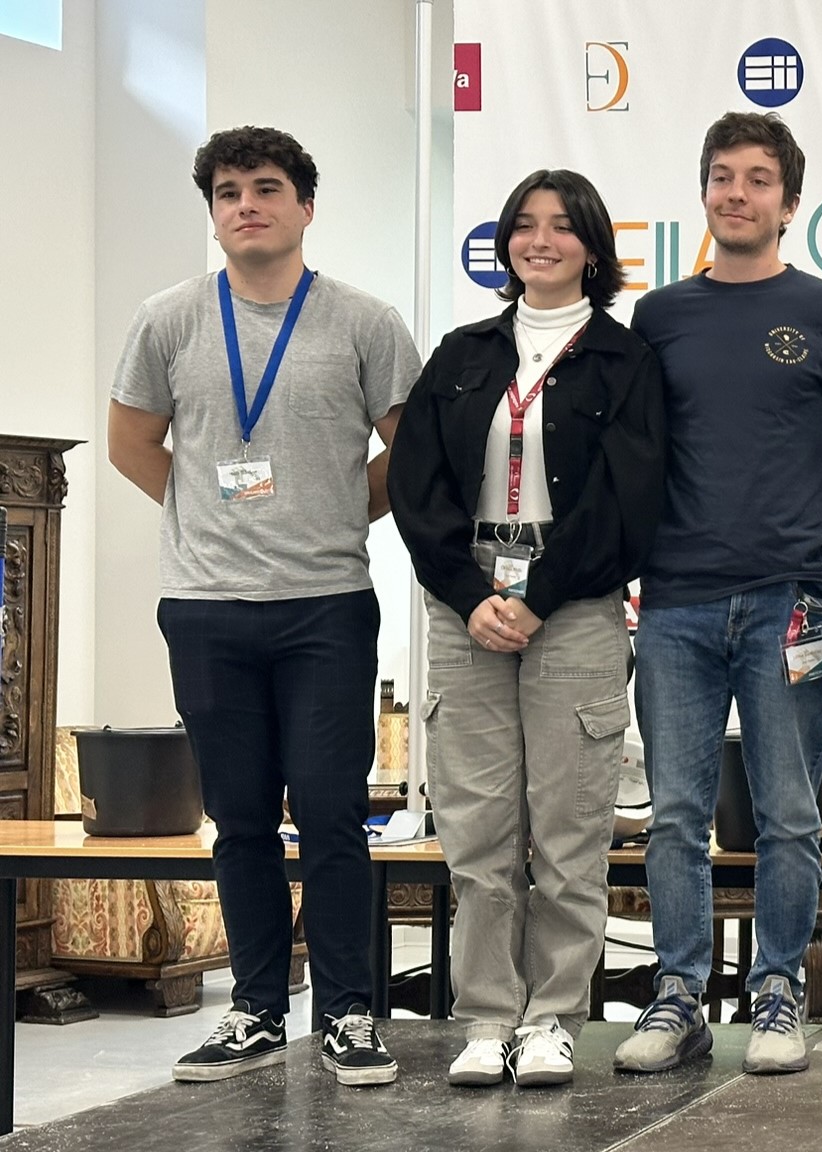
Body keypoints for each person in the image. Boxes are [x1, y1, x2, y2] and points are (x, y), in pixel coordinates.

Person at [106, 125, 418, 1086]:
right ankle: (253, 1010)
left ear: (305, 207)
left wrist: (333, 514)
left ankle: (349, 1013)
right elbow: (129, 442)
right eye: (229, 192)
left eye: (267, 187)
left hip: (326, 603)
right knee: (238, 819)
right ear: (213, 214)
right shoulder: (168, 320)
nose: (247, 204)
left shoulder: (364, 321)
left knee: (330, 813)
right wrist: (209, 520)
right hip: (206, 607)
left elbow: (411, 452)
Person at [389, 169, 666, 1088]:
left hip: (574, 606)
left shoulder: (625, 361)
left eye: (561, 226)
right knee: (477, 835)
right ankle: (485, 1018)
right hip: (466, 605)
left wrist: (539, 596)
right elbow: (417, 487)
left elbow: (627, 500)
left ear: (592, 247)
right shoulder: (462, 353)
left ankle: (551, 1019)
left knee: (570, 834)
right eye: (524, 225)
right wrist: (470, 594)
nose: (539, 241)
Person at [616, 111, 822, 1076]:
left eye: (758, 179)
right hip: (676, 601)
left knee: (790, 815)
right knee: (675, 814)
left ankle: (777, 993)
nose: (737, 193)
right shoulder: (659, 317)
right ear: (703, 192)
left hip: (791, 599)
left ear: (789, 201)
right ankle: (679, 995)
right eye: (722, 176)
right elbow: (637, 453)